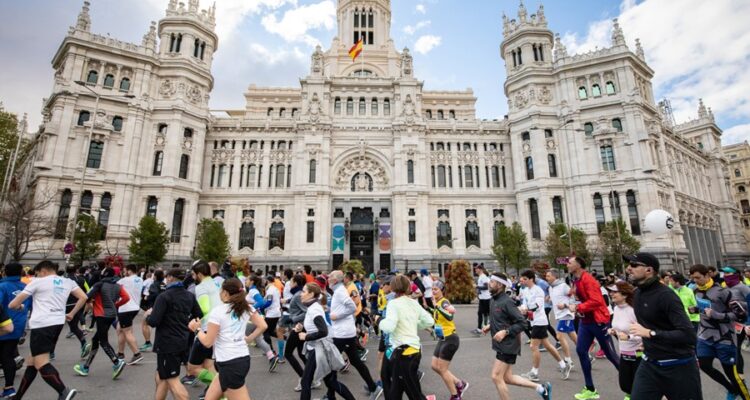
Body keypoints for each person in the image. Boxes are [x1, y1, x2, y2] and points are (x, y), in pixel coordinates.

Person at [625, 253, 702, 400]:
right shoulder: (638, 293)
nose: (629, 269)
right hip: (650, 364)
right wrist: (646, 340)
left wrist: (651, 334)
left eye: (634, 265)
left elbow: (688, 335)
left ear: (649, 270)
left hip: (678, 366)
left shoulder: (666, 296)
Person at [9, 260, 87, 400]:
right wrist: (72, 313)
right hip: (57, 323)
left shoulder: (38, 282)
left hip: (41, 325)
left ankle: (64, 391)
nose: (37, 276)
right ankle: (18, 397)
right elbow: (83, 297)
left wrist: (19, 307)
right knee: (32, 363)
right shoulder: (67, 282)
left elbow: (13, 304)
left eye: (38, 274)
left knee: (41, 363)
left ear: (43, 271)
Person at [187, 278, 267, 400]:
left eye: (220, 291)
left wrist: (197, 330)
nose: (219, 294)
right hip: (238, 360)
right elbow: (263, 325)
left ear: (225, 292)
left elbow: (208, 342)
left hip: (230, 363)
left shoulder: (218, 312)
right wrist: (248, 339)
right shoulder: (247, 307)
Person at [482, 273, 552, 400]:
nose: (489, 284)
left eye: (492, 282)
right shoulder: (493, 300)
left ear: (499, 285)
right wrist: (490, 326)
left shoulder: (507, 302)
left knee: (496, 376)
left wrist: (505, 332)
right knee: (507, 378)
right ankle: (542, 389)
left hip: (508, 344)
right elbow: (500, 319)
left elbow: (522, 323)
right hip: (501, 344)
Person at [689, 264, 749, 400]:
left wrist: (717, 315)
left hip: (724, 338)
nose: (695, 281)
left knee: (732, 374)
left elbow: (741, 315)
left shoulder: (724, 292)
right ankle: (731, 390)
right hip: (704, 337)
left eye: (698, 278)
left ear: (707, 275)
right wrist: (696, 309)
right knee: (704, 366)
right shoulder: (695, 291)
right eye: (693, 278)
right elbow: (705, 309)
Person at [566, 257, 619, 400]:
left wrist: (578, 307)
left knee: (611, 355)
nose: (567, 264)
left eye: (570, 262)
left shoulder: (588, 280)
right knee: (581, 350)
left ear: (578, 265)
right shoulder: (576, 279)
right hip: (585, 321)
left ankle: (632, 387)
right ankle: (590, 389)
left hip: (599, 321)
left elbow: (596, 301)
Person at [146, 268, 203, 400]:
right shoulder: (189, 295)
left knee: (172, 379)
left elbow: (153, 321)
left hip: (167, 343)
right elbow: (199, 314)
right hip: (182, 340)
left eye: (167, 277)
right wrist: (185, 322)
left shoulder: (164, 296)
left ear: (170, 278)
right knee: (162, 376)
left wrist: (148, 315)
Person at [329, 270, 382, 399]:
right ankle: (373, 387)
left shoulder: (341, 291)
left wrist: (336, 316)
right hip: (345, 332)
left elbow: (352, 306)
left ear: (335, 280)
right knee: (355, 361)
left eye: (330, 276)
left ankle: (331, 396)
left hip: (342, 334)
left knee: (331, 363)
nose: (328, 278)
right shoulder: (339, 290)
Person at [379, 274, 434, 400]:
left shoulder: (393, 304)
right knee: (397, 389)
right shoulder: (413, 303)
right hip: (413, 350)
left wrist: (379, 321)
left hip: (403, 353)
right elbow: (429, 321)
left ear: (393, 287)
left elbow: (388, 327)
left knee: (412, 392)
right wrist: (414, 323)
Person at [298, 282, 355, 400]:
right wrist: (301, 328)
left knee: (306, 381)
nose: (301, 294)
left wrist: (306, 336)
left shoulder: (314, 309)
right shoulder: (313, 307)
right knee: (330, 382)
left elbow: (323, 331)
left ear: (311, 294)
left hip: (319, 348)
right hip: (319, 347)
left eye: (303, 291)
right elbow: (316, 326)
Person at [73, 267, 129, 379]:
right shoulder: (118, 286)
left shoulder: (99, 284)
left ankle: (117, 362)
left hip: (101, 315)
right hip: (112, 315)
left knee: (103, 341)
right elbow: (126, 298)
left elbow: (86, 296)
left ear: (104, 274)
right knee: (95, 340)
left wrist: (86, 302)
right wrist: (115, 305)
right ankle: (86, 367)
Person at [518, 270, 570, 383]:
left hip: (540, 321)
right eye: (522, 279)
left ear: (531, 279)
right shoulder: (526, 290)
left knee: (533, 346)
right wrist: (523, 308)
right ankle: (563, 365)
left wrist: (527, 309)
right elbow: (524, 302)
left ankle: (534, 373)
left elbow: (537, 305)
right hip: (533, 321)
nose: (523, 281)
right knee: (547, 345)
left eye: (525, 279)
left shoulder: (538, 290)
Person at [182, 261, 223, 394]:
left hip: (206, 329)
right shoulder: (218, 282)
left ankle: (223, 388)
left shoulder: (201, 287)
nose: (193, 277)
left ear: (199, 274)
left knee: (193, 368)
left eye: (193, 274)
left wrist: (192, 320)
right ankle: (219, 393)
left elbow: (204, 309)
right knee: (208, 365)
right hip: (218, 327)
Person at [430, 279, 468, 400]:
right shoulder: (437, 302)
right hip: (442, 338)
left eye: (436, 289)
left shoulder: (444, 302)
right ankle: (459, 383)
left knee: (442, 368)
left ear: (442, 290)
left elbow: (450, 315)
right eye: (432, 289)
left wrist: (437, 307)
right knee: (434, 365)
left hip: (450, 338)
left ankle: (455, 395)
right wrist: (429, 308)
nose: (433, 291)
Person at [606, 281, 641, 400]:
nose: (611, 294)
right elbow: (618, 327)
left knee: (639, 387)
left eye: (615, 292)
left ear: (625, 295)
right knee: (625, 385)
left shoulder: (634, 310)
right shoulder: (616, 309)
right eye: (611, 291)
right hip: (624, 352)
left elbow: (645, 333)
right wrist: (613, 330)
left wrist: (629, 337)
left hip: (639, 354)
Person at [0, 262, 28, 398]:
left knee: (5, 357)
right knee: (7, 356)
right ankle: (9, 387)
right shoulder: (26, 287)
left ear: (4, 272)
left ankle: (8, 388)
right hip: (18, 326)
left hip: (3, 326)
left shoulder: (2, 286)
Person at [245, 276, 279, 371]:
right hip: (257, 317)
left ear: (251, 281)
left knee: (241, 336)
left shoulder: (253, 291)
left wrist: (251, 309)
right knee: (259, 340)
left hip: (253, 318)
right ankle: (272, 357)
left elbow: (261, 301)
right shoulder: (252, 290)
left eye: (247, 280)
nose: (245, 281)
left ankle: (237, 361)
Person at [545, 269, 576, 368]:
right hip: (559, 315)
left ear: (555, 276)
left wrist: (565, 305)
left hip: (566, 314)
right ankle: (586, 354)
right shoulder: (551, 288)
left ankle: (568, 361)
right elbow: (555, 300)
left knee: (559, 336)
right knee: (573, 336)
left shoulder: (563, 286)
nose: (546, 278)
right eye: (546, 276)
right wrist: (549, 300)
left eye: (548, 276)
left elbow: (573, 298)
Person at [722, 266, 750, 375]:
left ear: (735, 274)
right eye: (724, 273)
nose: (725, 275)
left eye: (728, 273)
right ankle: (740, 376)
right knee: (736, 349)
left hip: (746, 323)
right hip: (735, 323)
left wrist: (739, 304)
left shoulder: (743, 288)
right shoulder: (725, 288)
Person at [116, 264, 145, 364]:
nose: (124, 272)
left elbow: (114, 286)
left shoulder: (124, 280)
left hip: (126, 307)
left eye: (125, 271)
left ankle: (137, 354)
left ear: (129, 271)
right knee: (120, 329)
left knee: (127, 331)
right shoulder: (140, 279)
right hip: (135, 307)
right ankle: (120, 353)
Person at [140, 269, 165, 352]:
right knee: (162, 326)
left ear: (155, 276)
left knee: (144, 323)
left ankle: (147, 342)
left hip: (153, 307)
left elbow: (155, 294)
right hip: (164, 307)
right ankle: (161, 344)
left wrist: (147, 297)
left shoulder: (154, 285)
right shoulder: (164, 284)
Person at [473, 265, 491, 335]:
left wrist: (477, 286)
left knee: (488, 313)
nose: (475, 271)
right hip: (483, 298)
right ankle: (479, 329)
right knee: (481, 313)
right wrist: (478, 291)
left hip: (486, 298)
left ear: (480, 269)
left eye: (476, 269)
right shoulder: (481, 276)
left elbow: (486, 287)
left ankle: (484, 328)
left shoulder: (483, 276)